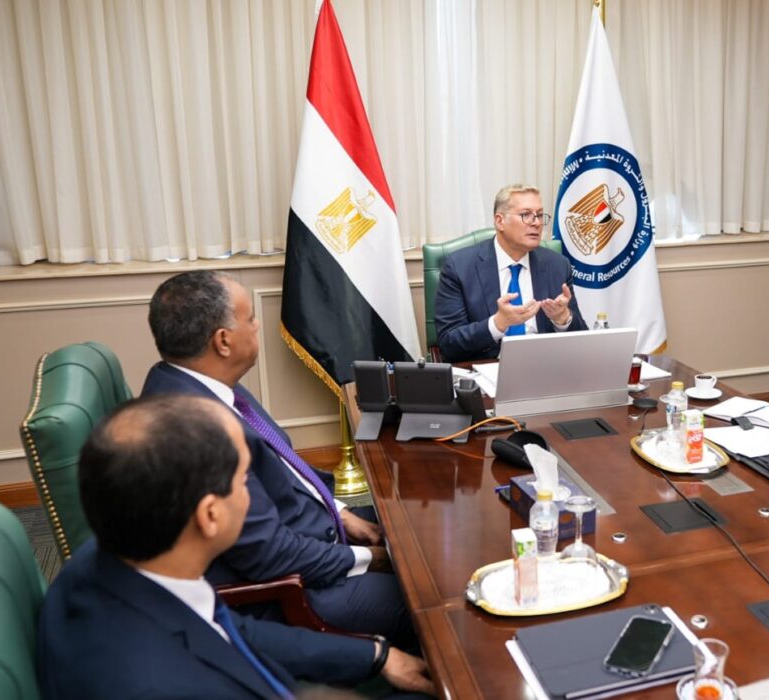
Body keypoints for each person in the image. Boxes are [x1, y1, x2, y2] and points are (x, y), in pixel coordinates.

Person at [37, 394, 433, 699]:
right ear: (210, 515)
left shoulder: (112, 560)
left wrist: (375, 656)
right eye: (246, 480)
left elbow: (231, 631)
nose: (257, 497)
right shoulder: (162, 686)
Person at [142, 271, 413, 646]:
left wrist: (342, 513)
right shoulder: (195, 430)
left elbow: (285, 470)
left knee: (415, 515)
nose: (257, 326)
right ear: (223, 341)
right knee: (436, 595)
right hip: (295, 591)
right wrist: (371, 558)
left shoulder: (199, 383)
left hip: (313, 530)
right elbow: (268, 554)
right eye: (251, 318)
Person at [434, 184, 587, 362]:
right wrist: (498, 324)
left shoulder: (557, 265)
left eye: (539, 215)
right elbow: (449, 344)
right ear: (500, 221)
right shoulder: (459, 266)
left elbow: (583, 342)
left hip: (545, 365)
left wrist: (562, 318)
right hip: (488, 367)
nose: (537, 223)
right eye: (526, 215)